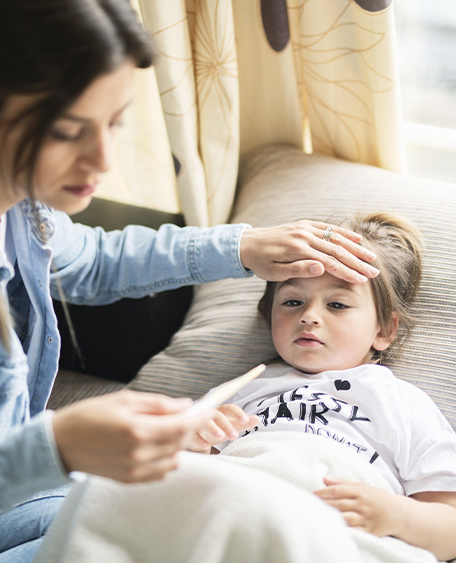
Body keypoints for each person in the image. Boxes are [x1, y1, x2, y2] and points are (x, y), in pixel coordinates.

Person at [0, 0, 378, 563]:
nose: (101, 162)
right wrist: (54, 447)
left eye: (115, 123)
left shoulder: (12, 201)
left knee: (223, 510)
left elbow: (90, 263)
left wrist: (243, 247)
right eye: (68, 131)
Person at [193, 213, 456, 562]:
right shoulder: (246, 387)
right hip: (239, 506)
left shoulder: (405, 405)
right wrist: (197, 443)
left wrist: (395, 514)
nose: (309, 315)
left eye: (337, 304)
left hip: (338, 530)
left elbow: (449, 526)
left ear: (384, 331)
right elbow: (185, 475)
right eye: (292, 302)